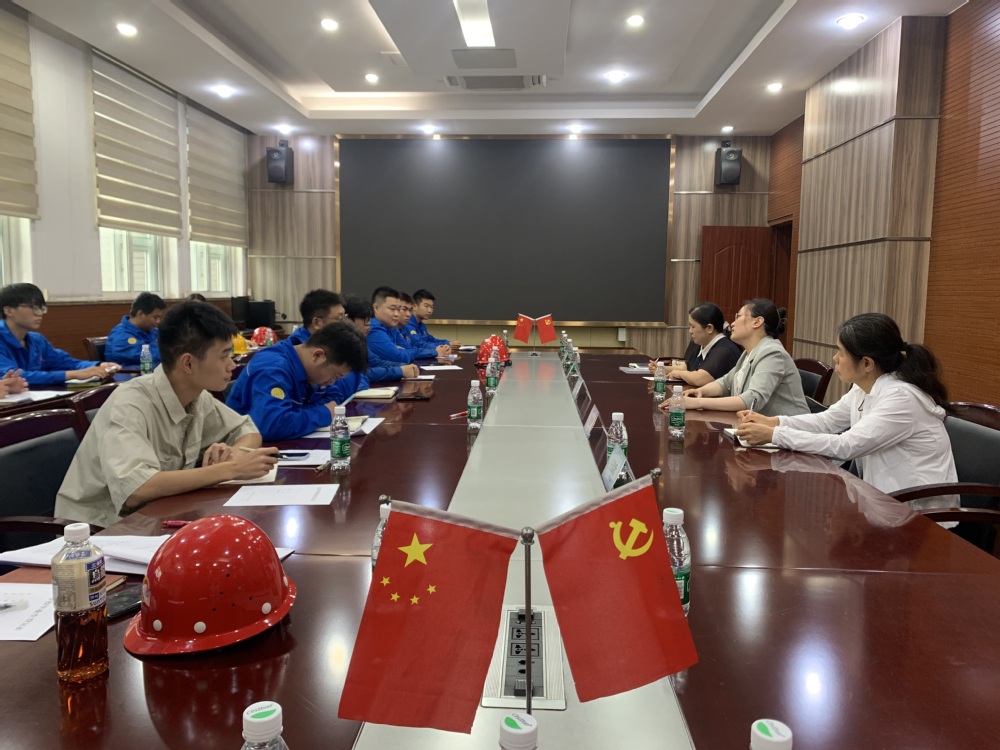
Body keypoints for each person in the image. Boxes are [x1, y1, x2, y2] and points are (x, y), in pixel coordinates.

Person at [54, 301, 278, 528]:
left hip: (158, 517)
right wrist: (230, 469)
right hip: (98, 532)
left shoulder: (197, 396)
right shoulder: (130, 403)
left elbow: (247, 431)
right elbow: (137, 489)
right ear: (188, 363)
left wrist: (233, 454)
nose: (231, 365)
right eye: (223, 357)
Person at [735, 313, 958, 505]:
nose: (835, 358)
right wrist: (773, 422)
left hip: (919, 511)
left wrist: (774, 435)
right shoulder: (864, 387)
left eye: (841, 352)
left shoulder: (901, 399)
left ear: (867, 363)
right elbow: (827, 421)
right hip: (883, 502)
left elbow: (846, 446)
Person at [226, 321, 368, 441]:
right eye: (335, 376)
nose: (332, 382)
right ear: (318, 356)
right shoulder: (272, 369)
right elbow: (273, 425)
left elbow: (334, 397)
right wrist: (323, 413)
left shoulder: (312, 370)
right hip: (241, 452)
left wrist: (298, 416)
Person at [667, 298, 807, 417]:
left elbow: (753, 399)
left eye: (738, 317)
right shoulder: (748, 353)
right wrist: (700, 392)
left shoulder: (772, 353)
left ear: (757, 322)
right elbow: (726, 383)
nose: (732, 323)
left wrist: (698, 402)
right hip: (756, 427)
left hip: (787, 432)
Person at [0, 282, 117, 386]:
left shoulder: (37, 340)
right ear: (8, 311)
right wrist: (73, 374)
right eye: (33, 307)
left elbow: (66, 363)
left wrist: (99, 365)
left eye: (41, 308)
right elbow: (13, 377)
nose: (40, 313)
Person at [651, 302, 741, 386]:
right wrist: (662, 369)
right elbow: (688, 367)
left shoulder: (724, 350)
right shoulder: (704, 344)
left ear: (709, 328)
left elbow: (700, 378)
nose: (690, 331)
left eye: (693, 326)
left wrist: (680, 374)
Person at [343, 296, 418, 385]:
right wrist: (399, 371)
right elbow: (360, 375)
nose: (369, 326)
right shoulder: (340, 343)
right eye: (366, 321)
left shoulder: (359, 341)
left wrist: (404, 367)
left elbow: (376, 362)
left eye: (370, 320)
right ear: (348, 319)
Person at [368, 286, 449, 364]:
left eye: (398, 309)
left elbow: (409, 348)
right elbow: (398, 357)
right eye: (392, 309)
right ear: (376, 308)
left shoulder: (391, 327)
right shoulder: (373, 329)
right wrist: (434, 352)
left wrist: (401, 351)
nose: (396, 314)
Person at [105, 292, 166, 366]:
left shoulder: (152, 331)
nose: (158, 321)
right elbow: (147, 356)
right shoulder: (120, 336)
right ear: (140, 314)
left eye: (160, 317)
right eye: (155, 317)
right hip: (130, 373)